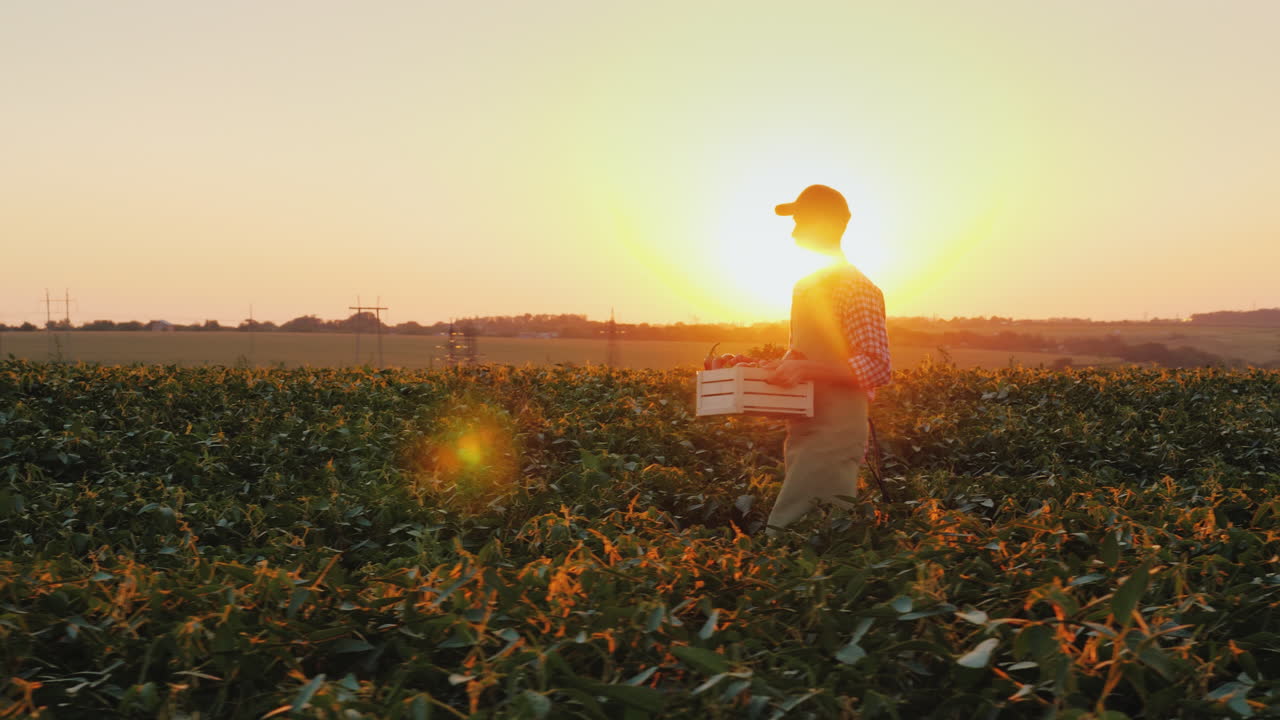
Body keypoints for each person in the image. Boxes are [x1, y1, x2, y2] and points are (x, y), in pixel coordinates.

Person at [764, 184, 892, 534]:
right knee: (804, 534)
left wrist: (803, 368)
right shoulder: (806, 286)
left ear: (826, 223)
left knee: (795, 533)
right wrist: (774, 370)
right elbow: (805, 354)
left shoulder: (855, 287)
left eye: (800, 221)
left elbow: (878, 365)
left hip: (836, 431)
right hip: (805, 426)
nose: (792, 231)